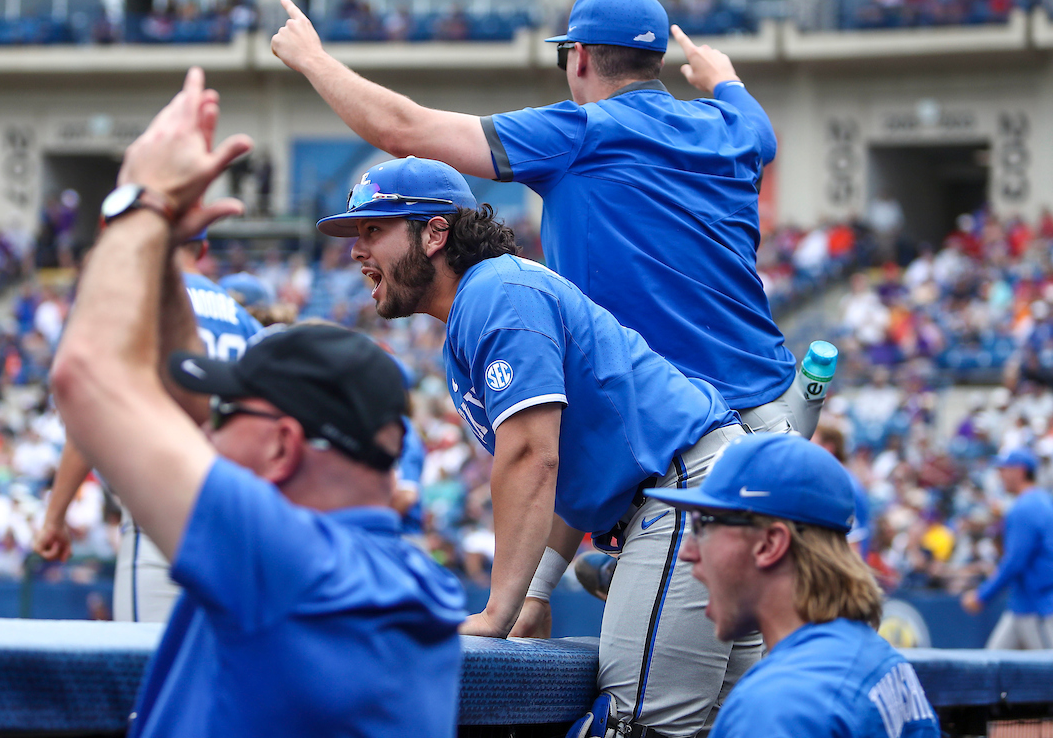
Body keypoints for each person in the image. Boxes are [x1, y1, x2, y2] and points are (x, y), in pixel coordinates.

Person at [49, 68, 465, 736]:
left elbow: (83, 378)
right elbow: (186, 402)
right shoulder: (397, 576)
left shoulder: (287, 562)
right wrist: (162, 262)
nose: (206, 432)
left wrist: (138, 203)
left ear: (282, 447)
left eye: (230, 414)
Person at [319, 155, 756, 737]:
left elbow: (532, 458)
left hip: (684, 492)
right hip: (699, 490)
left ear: (435, 233)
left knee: (632, 730)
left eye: (374, 230)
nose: (356, 250)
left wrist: (499, 609)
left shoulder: (494, 292)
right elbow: (568, 470)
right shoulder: (489, 297)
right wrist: (537, 589)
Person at [272, 0, 800, 434]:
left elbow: (402, 130)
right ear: (657, 62)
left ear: (581, 57)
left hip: (695, 426)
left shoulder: (580, 131)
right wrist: (724, 79)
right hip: (780, 401)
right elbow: (760, 130)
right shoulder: (731, 128)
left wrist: (312, 59)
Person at [645, 433, 940, 738]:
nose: (687, 551)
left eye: (703, 524)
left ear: (770, 544)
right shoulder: (882, 659)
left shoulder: (778, 704)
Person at [35, 232, 262, 622]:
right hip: (233, 504)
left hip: (160, 497)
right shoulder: (244, 320)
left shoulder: (141, 303)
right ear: (203, 250)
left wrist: (55, 517)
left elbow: (93, 418)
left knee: (146, 665)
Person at [961, 447, 1053, 649]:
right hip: (1023, 604)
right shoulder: (1043, 500)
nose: (1000, 474)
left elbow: (1014, 562)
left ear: (1019, 471)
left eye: (1005, 469)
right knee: (992, 665)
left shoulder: (1025, 507)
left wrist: (982, 595)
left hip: (1037, 608)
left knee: (1046, 673)